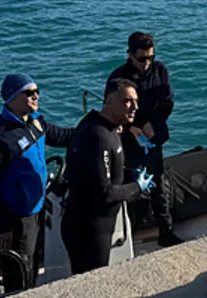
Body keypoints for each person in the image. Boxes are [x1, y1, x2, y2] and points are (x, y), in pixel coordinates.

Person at [0, 73, 74, 291]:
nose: (35, 96)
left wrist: (96, 127)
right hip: (16, 218)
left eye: (37, 92)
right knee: (18, 269)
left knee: (32, 264)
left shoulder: (36, 122)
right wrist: (3, 226)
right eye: (28, 93)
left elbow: (63, 136)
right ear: (12, 98)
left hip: (37, 209)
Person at [62, 79, 155, 274]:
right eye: (127, 101)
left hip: (97, 226)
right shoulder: (99, 136)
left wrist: (129, 174)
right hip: (89, 231)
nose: (135, 107)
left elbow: (101, 171)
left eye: (136, 101)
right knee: (91, 283)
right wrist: (137, 187)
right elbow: (104, 193)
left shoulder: (108, 127)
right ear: (109, 101)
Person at [107, 32, 184, 247]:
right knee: (127, 186)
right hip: (128, 142)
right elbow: (111, 112)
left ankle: (166, 232)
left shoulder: (160, 70)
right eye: (142, 58)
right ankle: (126, 235)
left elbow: (168, 102)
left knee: (159, 183)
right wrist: (132, 127)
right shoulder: (117, 78)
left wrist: (153, 123)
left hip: (153, 138)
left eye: (151, 57)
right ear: (130, 54)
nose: (147, 63)